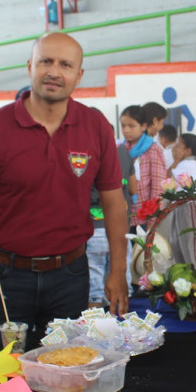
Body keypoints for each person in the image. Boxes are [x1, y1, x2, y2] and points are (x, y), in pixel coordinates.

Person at [0, 32, 129, 351]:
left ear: (78, 75)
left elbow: (114, 203)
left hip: (70, 276)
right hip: (4, 278)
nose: (54, 71)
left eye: (65, 65)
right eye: (45, 61)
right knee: (1, 375)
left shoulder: (96, 127)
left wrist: (117, 271)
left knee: (64, 373)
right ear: (29, 66)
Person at [87, 132, 136, 308]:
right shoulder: (124, 153)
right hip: (122, 231)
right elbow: (133, 188)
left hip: (95, 228)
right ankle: (123, 331)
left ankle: (96, 331)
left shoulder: (88, 152)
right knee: (121, 290)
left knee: (95, 292)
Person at [120, 105, 166, 230]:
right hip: (123, 215)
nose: (126, 130)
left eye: (131, 126)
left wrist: (153, 220)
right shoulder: (120, 149)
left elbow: (158, 188)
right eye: (123, 126)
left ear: (143, 126)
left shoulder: (152, 149)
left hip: (143, 217)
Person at [165, 133, 196, 265]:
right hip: (180, 206)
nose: (174, 148)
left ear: (188, 151)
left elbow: (168, 176)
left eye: (178, 145)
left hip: (188, 206)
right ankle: (185, 277)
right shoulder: (184, 163)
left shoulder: (188, 163)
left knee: (190, 245)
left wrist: (175, 161)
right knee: (176, 243)